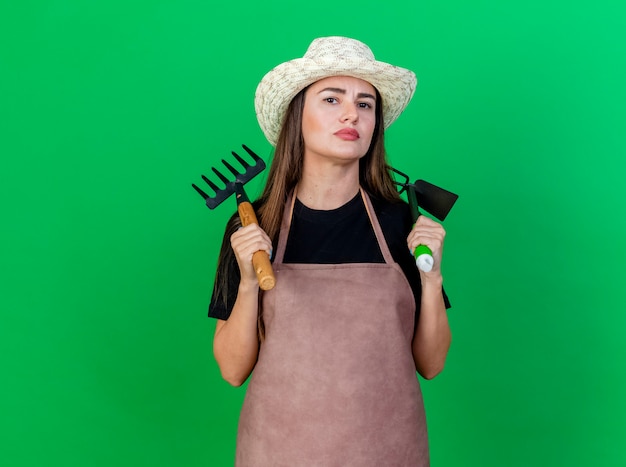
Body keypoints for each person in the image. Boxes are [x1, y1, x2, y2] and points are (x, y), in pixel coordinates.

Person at [208, 36, 452, 466]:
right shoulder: (252, 228)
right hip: (277, 452)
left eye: (365, 104)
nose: (350, 114)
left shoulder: (400, 224)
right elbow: (232, 370)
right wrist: (248, 282)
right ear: (297, 115)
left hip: (388, 453)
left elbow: (430, 364)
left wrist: (431, 280)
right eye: (331, 98)